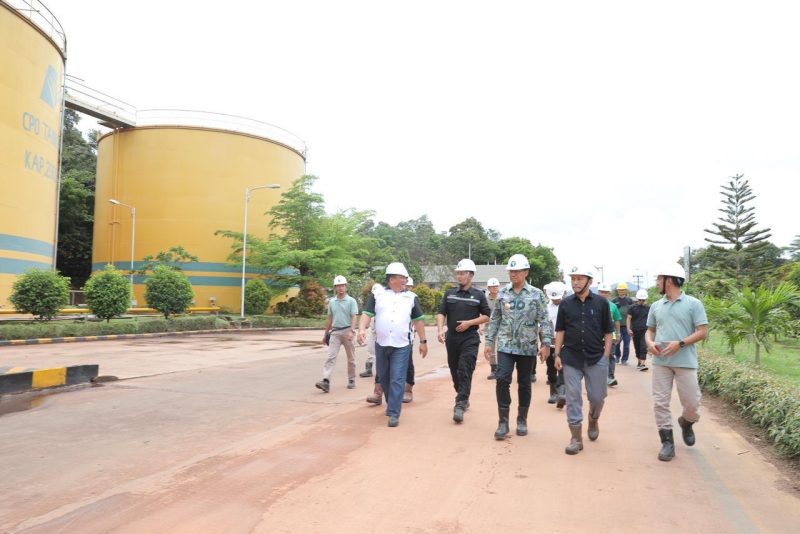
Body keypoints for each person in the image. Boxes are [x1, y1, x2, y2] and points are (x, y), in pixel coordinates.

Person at [484, 254, 553, 440]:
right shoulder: (502, 293)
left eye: (517, 271)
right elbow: (495, 319)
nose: (513, 274)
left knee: (524, 383)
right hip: (505, 345)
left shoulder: (536, 294)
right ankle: (503, 421)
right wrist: (489, 342)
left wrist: (546, 343)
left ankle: (522, 419)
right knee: (502, 380)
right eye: (511, 271)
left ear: (526, 272)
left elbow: (544, 320)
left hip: (527, 347)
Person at [645, 264, 708, 461]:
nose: (657, 282)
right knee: (660, 402)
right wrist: (649, 343)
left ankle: (687, 422)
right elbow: (650, 330)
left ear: (669, 280)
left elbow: (702, 331)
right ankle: (667, 443)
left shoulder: (693, 304)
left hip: (685, 361)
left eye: (659, 278)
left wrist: (680, 344)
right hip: (661, 361)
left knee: (692, 403)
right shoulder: (656, 306)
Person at [357, 262, 428, 427]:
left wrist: (423, 341)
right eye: (402, 278)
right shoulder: (378, 295)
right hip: (381, 343)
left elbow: (418, 321)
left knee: (397, 378)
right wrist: (361, 329)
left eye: (405, 278)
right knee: (383, 377)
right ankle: (392, 403)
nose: (405, 281)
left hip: (402, 345)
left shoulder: (411, 298)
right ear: (391, 279)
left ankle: (394, 412)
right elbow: (367, 314)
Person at [554, 266, 613, 455]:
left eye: (580, 278)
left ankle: (593, 419)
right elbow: (560, 330)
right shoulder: (565, 304)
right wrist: (557, 354)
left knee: (597, 397)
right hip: (571, 357)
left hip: (596, 358)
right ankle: (576, 438)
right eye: (573, 279)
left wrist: (606, 355)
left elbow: (608, 332)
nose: (575, 282)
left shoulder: (601, 303)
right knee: (573, 397)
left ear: (590, 281)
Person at [436, 259, 491, 423]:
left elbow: (487, 316)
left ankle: (460, 404)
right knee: (455, 372)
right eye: (458, 273)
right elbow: (441, 312)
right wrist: (440, 329)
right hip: (452, 339)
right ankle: (463, 396)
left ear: (471, 275)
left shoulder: (479, 295)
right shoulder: (449, 293)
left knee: (464, 369)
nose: (459, 276)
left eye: (462, 273)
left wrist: (469, 323)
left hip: (470, 339)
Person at [315, 275, 358, 393]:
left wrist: (352, 331)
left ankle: (351, 379)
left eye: (342, 285)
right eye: (338, 286)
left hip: (348, 331)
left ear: (346, 287)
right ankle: (326, 380)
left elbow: (354, 317)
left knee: (351, 358)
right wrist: (325, 335)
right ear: (335, 288)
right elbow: (330, 319)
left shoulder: (351, 301)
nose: (340, 288)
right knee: (331, 356)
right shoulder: (332, 302)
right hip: (335, 332)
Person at [543, 282, 567, 407]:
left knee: (563, 367)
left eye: (557, 298)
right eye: (553, 299)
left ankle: (562, 392)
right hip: (550, 343)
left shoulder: (567, 307)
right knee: (551, 369)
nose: (555, 301)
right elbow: (543, 326)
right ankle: (553, 392)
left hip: (565, 344)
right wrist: (544, 343)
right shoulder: (546, 308)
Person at [598, 283, 622, 387]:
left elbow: (617, 320)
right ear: (598, 293)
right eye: (602, 292)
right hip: (596, 336)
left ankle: (610, 377)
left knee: (611, 356)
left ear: (609, 294)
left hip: (611, 336)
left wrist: (618, 333)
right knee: (598, 356)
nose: (603, 294)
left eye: (606, 292)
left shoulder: (613, 306)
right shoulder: (593, 304)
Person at [627, 289, 650, 370]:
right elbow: (629, 318)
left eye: (643, 300)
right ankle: (639, 362)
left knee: (643, 346)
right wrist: (628, 329)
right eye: (640, 300)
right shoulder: (632, 308)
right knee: (637, 347)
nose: (641, 301)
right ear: (637, 299)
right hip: (635, 330)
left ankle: (642, 364)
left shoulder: (648, 308)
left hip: (645, 330)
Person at [483, 277, 501, 380]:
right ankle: (493, 369)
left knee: (501, 348)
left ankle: (502, 369)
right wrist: (481, 326)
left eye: (496, 286)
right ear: (488, 288)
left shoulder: (502, 298)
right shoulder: (485, 300)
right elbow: (483, 313)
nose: (494, 288)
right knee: (491, 348)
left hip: (502, 327)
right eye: (492, 286)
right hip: (489, 327)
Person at [403, 276, 417, 403]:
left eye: (409, 286)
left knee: (408, 361)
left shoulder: (413, 298)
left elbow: (417, 318)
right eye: (405, 286)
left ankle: (408, 388)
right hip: (393, 336)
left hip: (408, 335)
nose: (406, 288)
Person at [613, 282, 634, 364]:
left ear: (625, 291)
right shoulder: (614, 301)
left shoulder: (630, 301)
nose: (621, 291)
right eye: (619, 290)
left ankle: (624, 359)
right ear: (617, 291)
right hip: (617, 326)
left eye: (622, 290)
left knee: (626, 344)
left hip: (627, 326)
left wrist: (631, 326)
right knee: (617, 343)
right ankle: (617, 357)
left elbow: (633, 313)